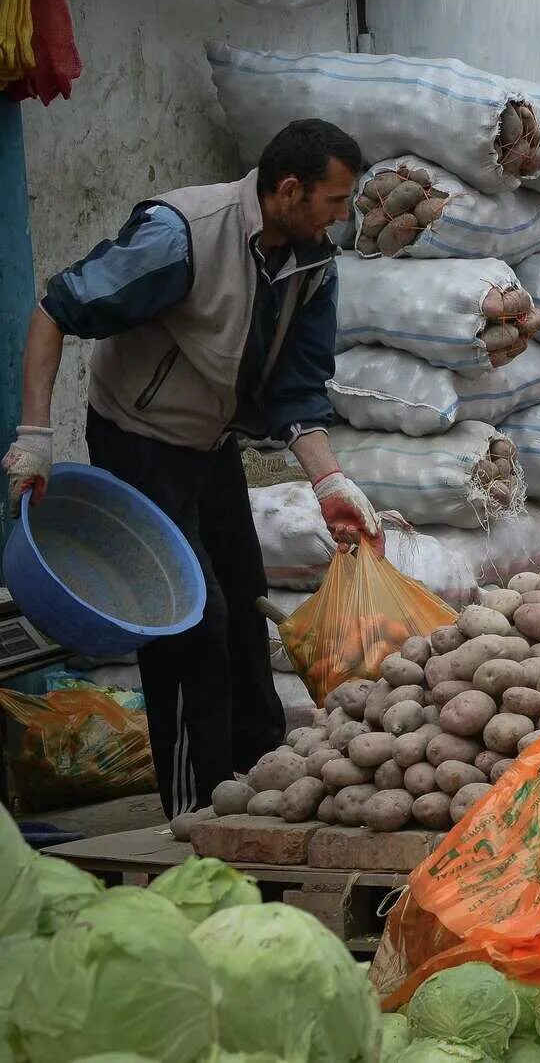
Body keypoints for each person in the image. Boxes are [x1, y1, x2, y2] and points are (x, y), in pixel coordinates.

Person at [2, 119, 383, 817]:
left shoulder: (311, 262)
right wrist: (34, 434)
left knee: (243, 613)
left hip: (211, 443)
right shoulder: (179, 236)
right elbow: (57, 307)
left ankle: (259, 792)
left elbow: (298, 391)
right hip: (139, 437)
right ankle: (194, 812)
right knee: (189, 621)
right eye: (333, 200)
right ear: (290, 191)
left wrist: (330, 483)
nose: (342, 216)